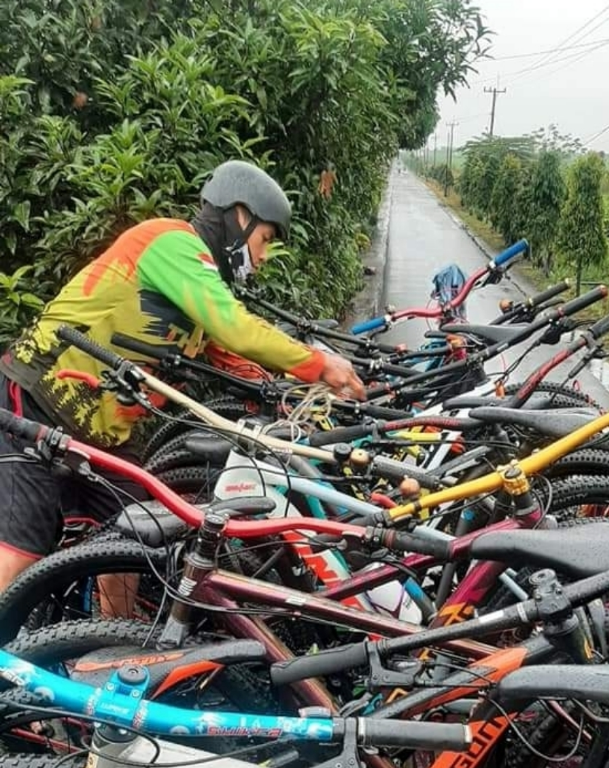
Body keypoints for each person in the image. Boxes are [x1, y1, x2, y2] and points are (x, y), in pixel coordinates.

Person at [0, 158, 366, 595]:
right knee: (23, 546)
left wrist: (275, 391)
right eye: (265, 240)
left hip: (101, 434)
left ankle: (111, 647)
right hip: (38, 397)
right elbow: (234, 326)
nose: (264, 257)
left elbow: (225, 350)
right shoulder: (171, 243)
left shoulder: (196, 280)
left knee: (134, 533)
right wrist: (319, 364)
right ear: (240, 216)